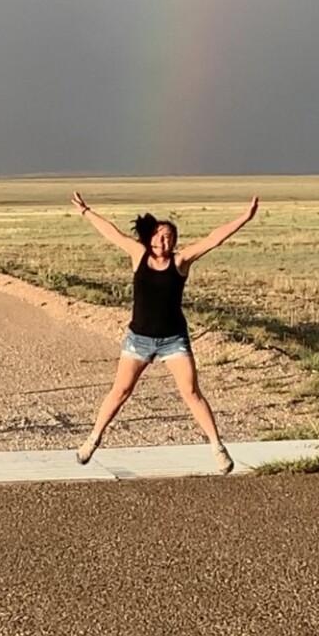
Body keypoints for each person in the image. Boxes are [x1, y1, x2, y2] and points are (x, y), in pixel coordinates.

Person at [70, 190, 259, 474]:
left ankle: (217, 448)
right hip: (139, 339)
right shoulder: (138, 255)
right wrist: (86, 212)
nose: (163, 240)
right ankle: (92, 440)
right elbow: (113, 233)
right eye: (159, 234)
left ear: (175, 241)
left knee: (192, 393)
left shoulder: (181, 262)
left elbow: (213, 239)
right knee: (120, 391)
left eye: (169, 236)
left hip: (173, 340)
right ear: (150, 237)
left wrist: (244, 217)